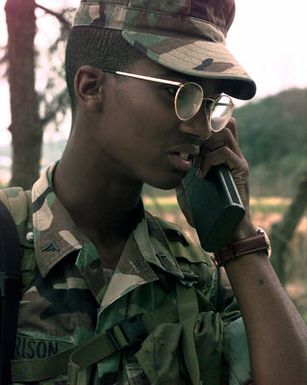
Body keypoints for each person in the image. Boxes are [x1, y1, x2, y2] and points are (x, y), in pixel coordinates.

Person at [2, 0, 307, 384]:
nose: (200, 128)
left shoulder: (195, 275)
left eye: (210, 104)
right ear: (91, 87)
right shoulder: (7, 242)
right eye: (181, 93)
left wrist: (238, 239)